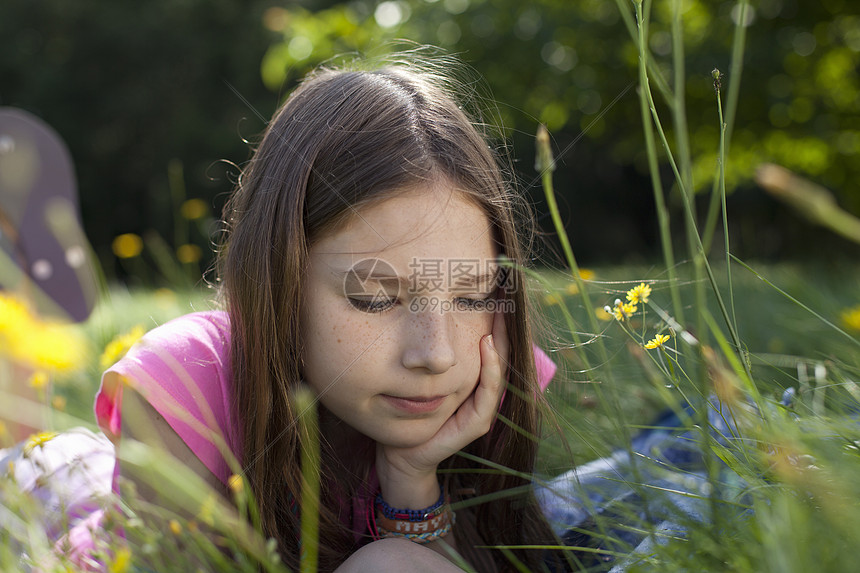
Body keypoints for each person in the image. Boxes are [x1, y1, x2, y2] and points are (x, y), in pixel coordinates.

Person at [93, 55, 569, 572]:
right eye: (375, 297)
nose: (435, 354)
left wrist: (412, 482)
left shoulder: (488, 376)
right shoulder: (187, 391)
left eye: (472, 296)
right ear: (281, 279)